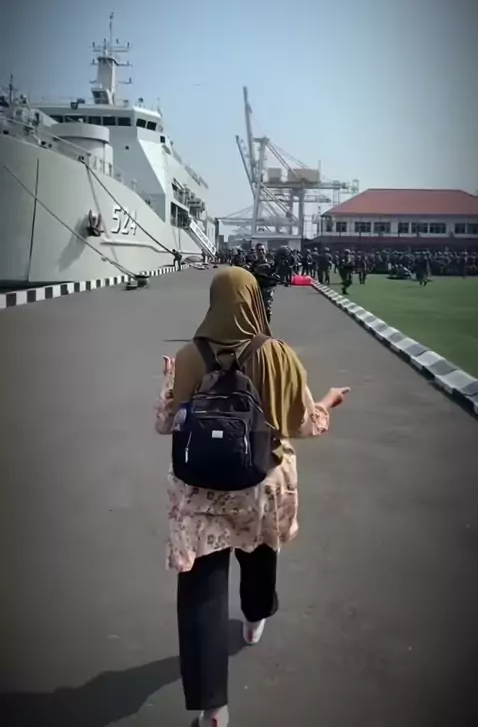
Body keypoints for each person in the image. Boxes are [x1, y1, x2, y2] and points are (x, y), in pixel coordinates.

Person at [160, 267, 349, 726]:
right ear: (255, 303)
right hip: (261, 484)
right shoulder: (278, 355)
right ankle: (254, 616)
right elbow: (303, 424)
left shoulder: (188, 356)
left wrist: (169, 382)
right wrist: (328, 403)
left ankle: (213, 708)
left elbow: (166, 422)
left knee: (201, 592)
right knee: (261, 552)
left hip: (200, 490)